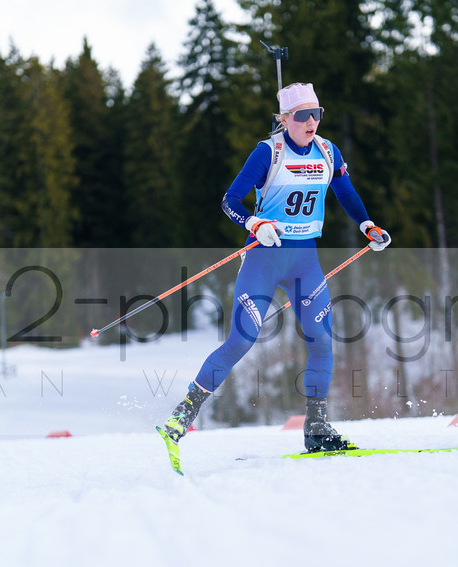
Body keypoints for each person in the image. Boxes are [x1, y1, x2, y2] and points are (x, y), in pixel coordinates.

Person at [157, 82, 391, 472]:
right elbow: (229, 200)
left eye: (317, 113)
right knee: (241, 341)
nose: (311, 121)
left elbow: (346, 192)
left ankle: (317, 429)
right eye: (302, 115)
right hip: (264, 259)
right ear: (284, 119)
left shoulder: (328, 151)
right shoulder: (269, 152)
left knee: (322, 341)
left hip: (305, 261)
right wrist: (254, 221)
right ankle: (180, 419)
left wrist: (367, 225)